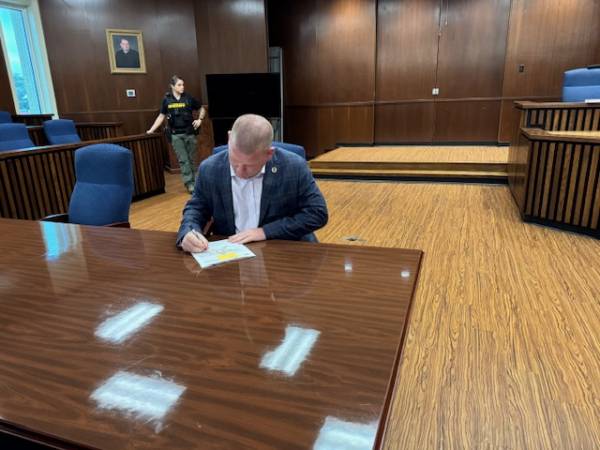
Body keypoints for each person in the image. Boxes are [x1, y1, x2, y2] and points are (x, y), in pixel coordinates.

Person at [177, 114, 328, 252]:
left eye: (249, 165)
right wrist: (188, 232)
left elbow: (317, 213)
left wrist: (265, 231)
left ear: (269, 153)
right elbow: (196, 208)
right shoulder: (209, 169)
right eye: (235, 162)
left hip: (284, 250)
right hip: (232, 253)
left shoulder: (294, 166)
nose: (240, 171)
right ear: (229, 138)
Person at [147, 75, 205, 193]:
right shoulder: (167, 100)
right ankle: (189, 184)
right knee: (183, 160)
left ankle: (196, 181)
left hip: (189, 133)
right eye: (179, 85)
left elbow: (201, 108)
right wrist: (151, 130)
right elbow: (161, 116)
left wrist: (200, 120)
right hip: (175, 135)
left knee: (192, 159)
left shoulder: (188, 98)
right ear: (172, 86)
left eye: (183, 84)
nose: (182, 87)